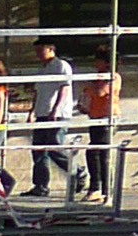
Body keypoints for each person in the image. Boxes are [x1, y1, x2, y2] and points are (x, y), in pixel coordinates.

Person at [27, 39, 76, 196]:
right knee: (38, 150)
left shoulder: (61, 65)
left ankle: (76, 171)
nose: (38, 54)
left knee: (54, 147)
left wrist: (56, 109)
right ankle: (40, 185)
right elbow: (37, 92)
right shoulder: (42, 69)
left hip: (57, 115)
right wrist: (32, 111)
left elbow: (64, 87)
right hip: (42, 113)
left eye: (41, 50)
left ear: (51, 49)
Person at [82, 49, 120, 198]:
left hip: (107, 117)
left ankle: (105, 189)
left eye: (98, 61)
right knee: (93, 152)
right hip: (95, 117)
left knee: (102, 153)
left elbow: (100, 92)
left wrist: (90, 87)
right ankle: (95, 186)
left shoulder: (113, 77)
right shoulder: (97, 78)